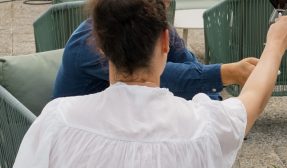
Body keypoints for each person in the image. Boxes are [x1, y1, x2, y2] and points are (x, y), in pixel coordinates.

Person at [9, 0, 287, 168]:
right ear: (164, 42)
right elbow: (253, 101)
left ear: (99, 44)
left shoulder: (57, 118)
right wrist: (274, 45)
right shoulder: (197, 126)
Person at [52, 0, 258, 100]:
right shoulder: (99, 36)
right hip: (90, 140)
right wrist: (228, 73)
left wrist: (211, 105)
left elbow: (189, 67)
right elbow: (150, 77)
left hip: (131, 125)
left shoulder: (156, 24)